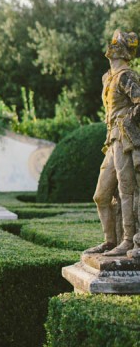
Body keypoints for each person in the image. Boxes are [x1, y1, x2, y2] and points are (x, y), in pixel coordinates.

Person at [86, 29, 139, 257]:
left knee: (126, 190)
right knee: (101, 195)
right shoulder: (108, 77)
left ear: (122, 51)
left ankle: (127, 240)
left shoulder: (127, 76)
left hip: (125, 138)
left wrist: (127, 119)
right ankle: (110, 240)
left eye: (116, 43)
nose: (112, 46)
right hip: (112, 139)